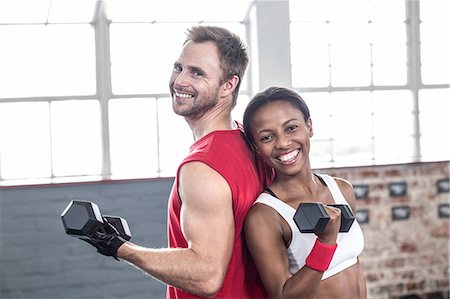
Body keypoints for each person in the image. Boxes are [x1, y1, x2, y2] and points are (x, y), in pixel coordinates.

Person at [82, 26, 271, 298]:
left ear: (229, 85)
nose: (180, 81)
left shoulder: (202, 167)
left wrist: (119, 247)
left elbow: (207, 277)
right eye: (178, 67)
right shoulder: (247, 140)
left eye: (197, 72)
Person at [242, 86, 366, 299]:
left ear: (309, 126)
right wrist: (326, 243)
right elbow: (282, 294)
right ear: (256, 149)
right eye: (267, 137)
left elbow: (354, 267)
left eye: (291, 128)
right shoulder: (265, 216)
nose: (282, 143)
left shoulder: (342, 190)